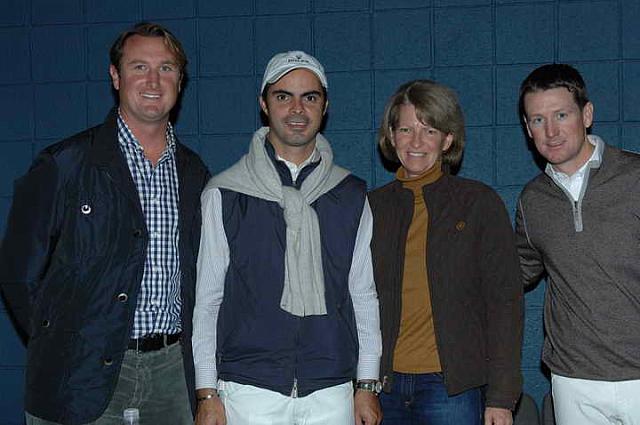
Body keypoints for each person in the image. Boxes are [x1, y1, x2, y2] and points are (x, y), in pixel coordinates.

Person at [0, 22, 210, 425]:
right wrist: (64, 343)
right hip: (80, 379)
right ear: (115, 77)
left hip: (173, 378)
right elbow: (16, 273)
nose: (153, 80)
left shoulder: (195, 174)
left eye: (166, 68)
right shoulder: (62, 165)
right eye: (139, 67)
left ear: (180, 82)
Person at [192, 50, 383, 425]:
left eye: (309, 97)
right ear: (264, 104)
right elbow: (208, 298)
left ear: (324, 107)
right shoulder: (226, 193)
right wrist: (207, 391)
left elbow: (363, 294)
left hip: (332, 391)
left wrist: (367, 383)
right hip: (249, 391)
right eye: (284, 96)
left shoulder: (349, 194)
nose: (297, 109)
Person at [369, 80, 523, 425]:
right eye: (406, 129)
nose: (416, 142)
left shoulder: (478, 203)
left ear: (447, 139)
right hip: (384, 387)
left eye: (429, 130)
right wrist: (360, 385)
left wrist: (501, 395)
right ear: (392, 137)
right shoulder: (371, 209)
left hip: (452, 388)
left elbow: (504, 304)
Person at [516, 64, 640, 425]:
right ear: (527, 129)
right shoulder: (532, 200)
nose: (551, 131)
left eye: (561, 115)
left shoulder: (635, 177)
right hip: (573, 379)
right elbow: (515, 274)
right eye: (537, 120)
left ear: (586, 114)